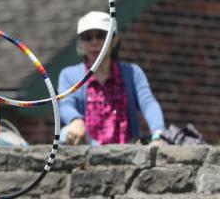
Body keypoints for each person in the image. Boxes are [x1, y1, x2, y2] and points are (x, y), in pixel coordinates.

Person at [58, 11, 166, 146]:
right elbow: (65, 104)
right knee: (66, 133)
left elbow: (148, 102)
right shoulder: (69, 75)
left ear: (114, 40)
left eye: (101, 35)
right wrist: (75, 120)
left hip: (127, 150)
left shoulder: (132, 73)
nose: (94, 42)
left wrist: (158, 133)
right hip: (87, 147)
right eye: (87, 37)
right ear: (81, 43)